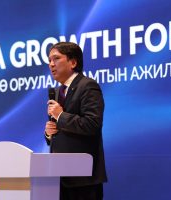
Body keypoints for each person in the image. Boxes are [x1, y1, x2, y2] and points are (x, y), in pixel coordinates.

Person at [45, 42, 107, 200]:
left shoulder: (88, 86)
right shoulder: (58, 92)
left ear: (73, 62)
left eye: (56, 58)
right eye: (49, 60)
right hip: (59, 177)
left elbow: (92, 124)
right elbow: (61, 128)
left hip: (83, 180)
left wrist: (61, 116)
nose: (51, 64)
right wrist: (49, 134)